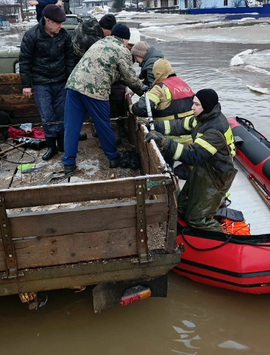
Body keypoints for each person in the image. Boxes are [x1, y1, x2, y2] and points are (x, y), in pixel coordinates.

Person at [145, 89, 237, 232]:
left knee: (196, 219)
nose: (192, 107)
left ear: (205, 106)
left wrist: (164, 142)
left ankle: (224, 237)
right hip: (204, 167)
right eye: (193, 103)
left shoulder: (214, 131)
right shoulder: (202, 117)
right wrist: (151, 125)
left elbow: (193, 155)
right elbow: (177, 125)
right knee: (182, 205)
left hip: (217, 176)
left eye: (196, 104)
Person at [62, 24, 146, 173]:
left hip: (73, 85)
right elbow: (130, 78)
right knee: (103, 125)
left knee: (71, 126)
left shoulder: (99, 42)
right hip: (94, 89)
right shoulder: (122, 50)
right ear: (124, 39)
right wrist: (144, 93)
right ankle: (113, 158)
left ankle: (68, 163)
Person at [19, 4, 75, 161]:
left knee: (62, 114)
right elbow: (25, 62)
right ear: (48, 21)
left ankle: (63, 145)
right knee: (47, 116)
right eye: (58, 23)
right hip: (41, 83)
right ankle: (52, 147)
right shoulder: (31, 36)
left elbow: (70, 59)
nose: (60, 26)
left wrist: (70, 80)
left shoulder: (64, 35)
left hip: (61, 81)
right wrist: (26, 85)